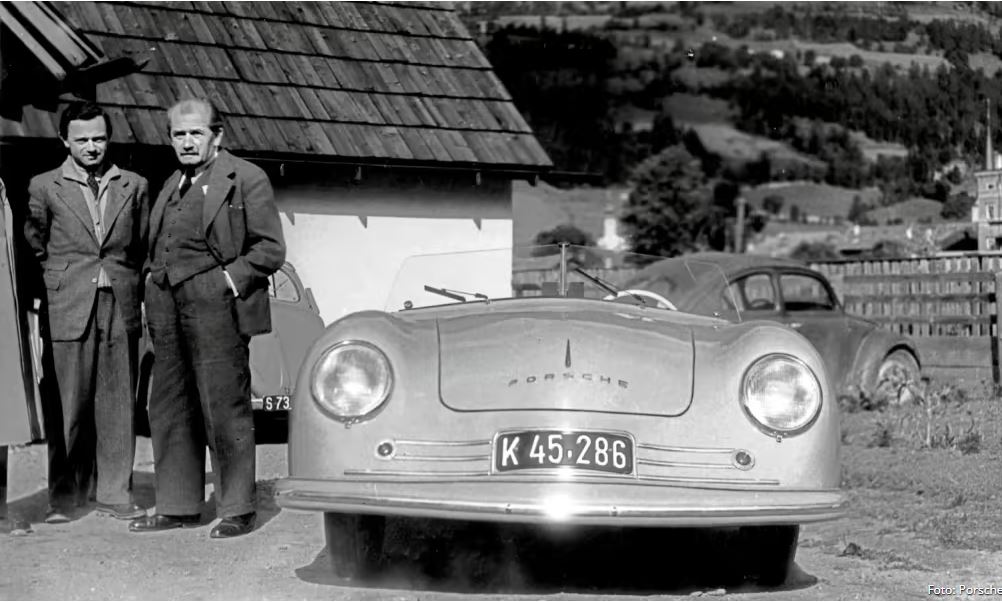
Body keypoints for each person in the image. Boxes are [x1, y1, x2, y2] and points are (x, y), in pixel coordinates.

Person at [129, 98, 285, 539]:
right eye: (179, 134)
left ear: (217, 135)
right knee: (170, 404)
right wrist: (149, 281)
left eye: (196, 133)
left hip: (217, 305)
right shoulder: (171, 184)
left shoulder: (246, 178)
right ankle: (178, 505)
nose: (187, 141)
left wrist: (224, 282)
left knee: (223, 405)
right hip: (166, 304)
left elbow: (270, 249)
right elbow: (158, 242)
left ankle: (238, 507)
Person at [23, 102, 149, 523]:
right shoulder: (44, 186)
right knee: (68, 405)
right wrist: (62, 279)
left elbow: (140, 244)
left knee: (116, 404)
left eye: (98, 138)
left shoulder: (134, 184)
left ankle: (114, 492)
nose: (92, 147)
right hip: (68, 301)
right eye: (82, 139)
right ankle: (66, 495)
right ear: (65, 141)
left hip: (119, 300)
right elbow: (35, 244)